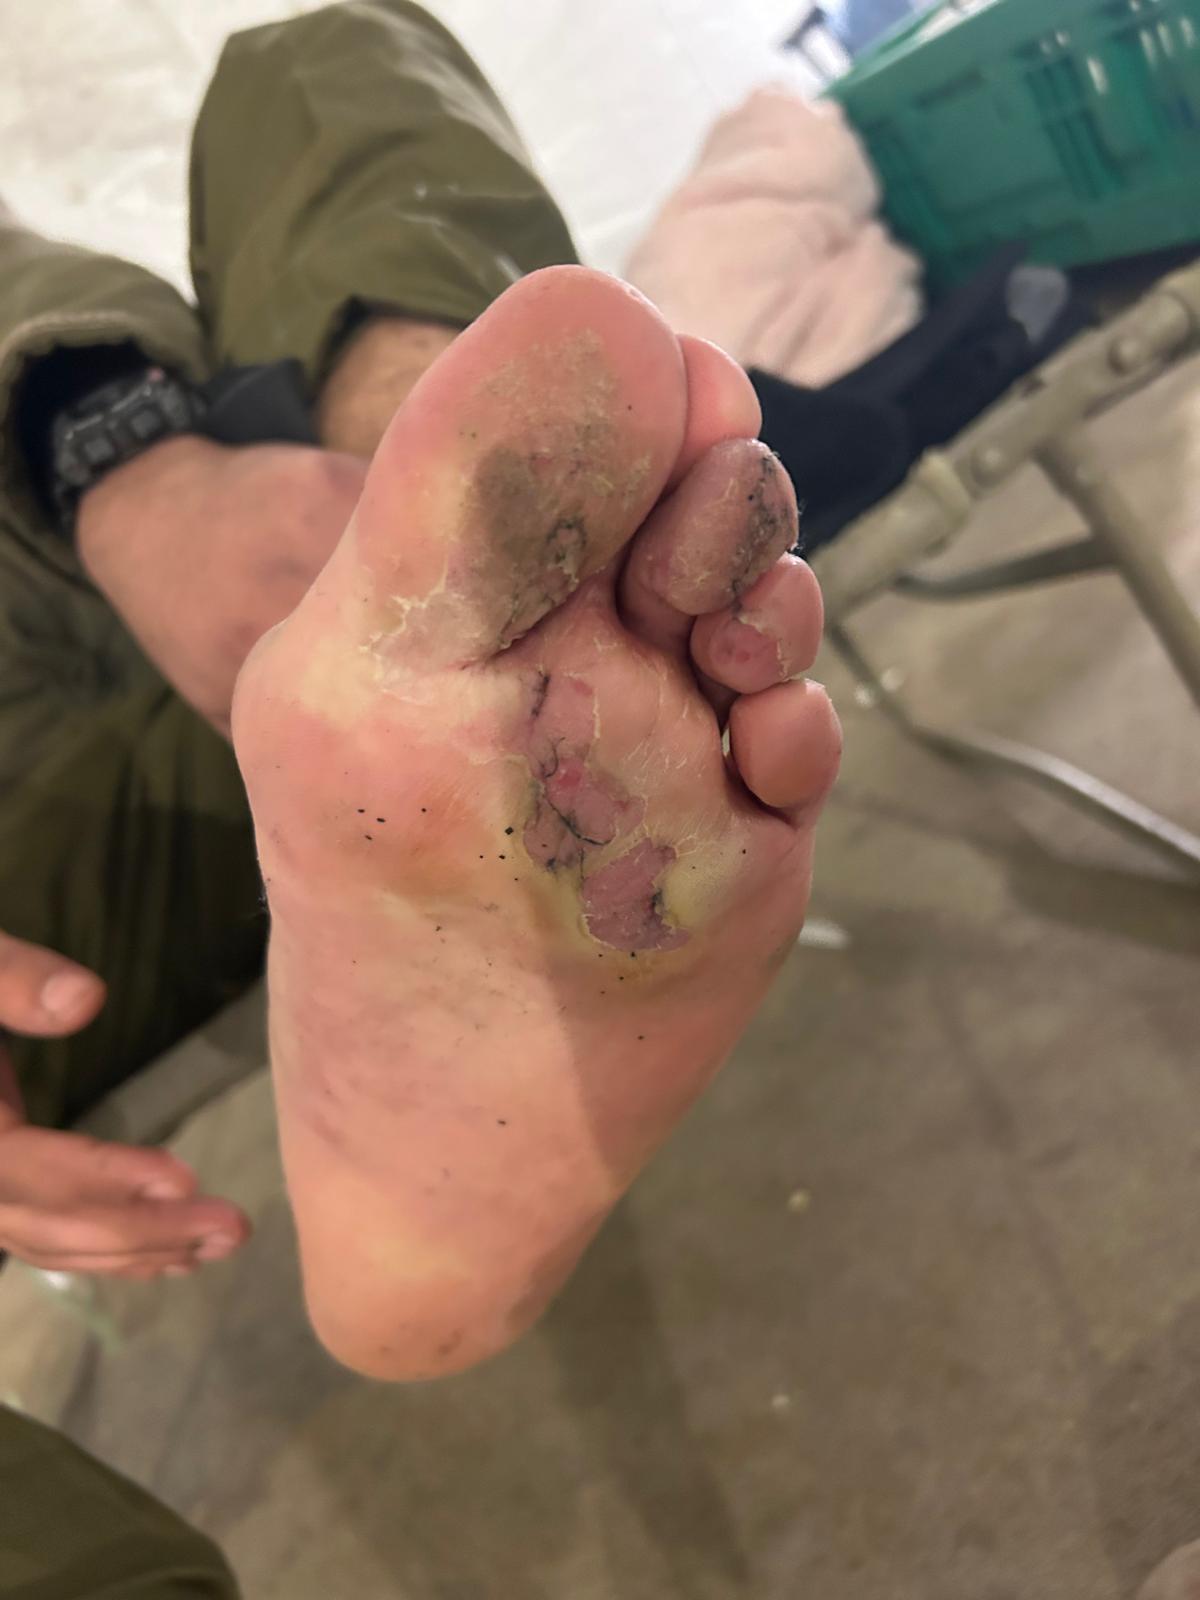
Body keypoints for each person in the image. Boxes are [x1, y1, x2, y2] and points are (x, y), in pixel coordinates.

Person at [1, 2, 841, 1593]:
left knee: (320, 58)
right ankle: (471, 635)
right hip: (55, 884)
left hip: (172, 629)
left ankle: (446, 549)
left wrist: (131, 472)